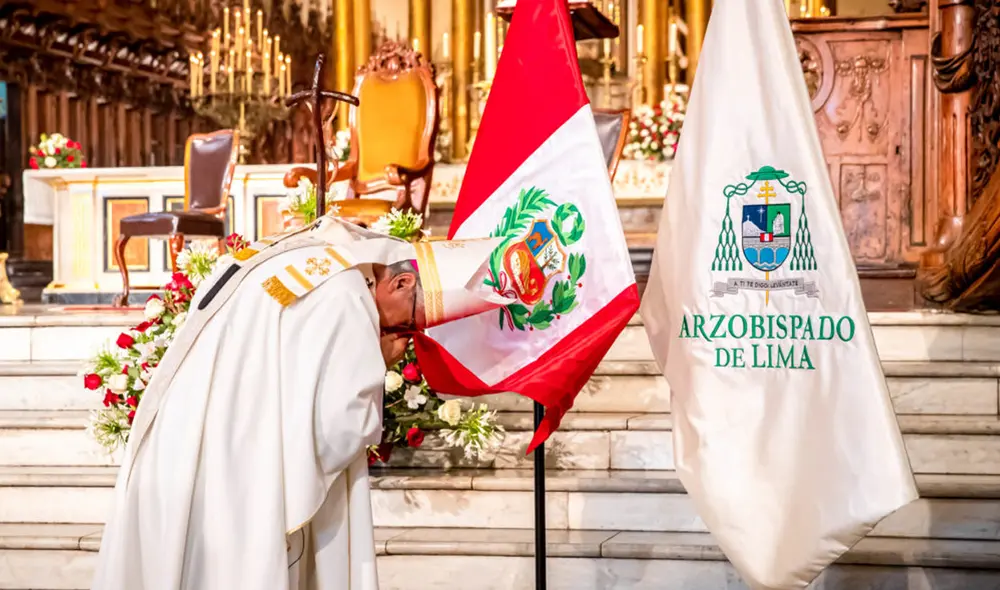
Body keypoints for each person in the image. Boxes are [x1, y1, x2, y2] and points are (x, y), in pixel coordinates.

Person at [92, 218, 505, 590]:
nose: (399, 330)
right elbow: (338, 431)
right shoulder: (346, 297)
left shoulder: (310, 253)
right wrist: (376, 363)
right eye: (409, 321)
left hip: (184, 433)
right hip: (237, 472)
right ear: (401, 283)